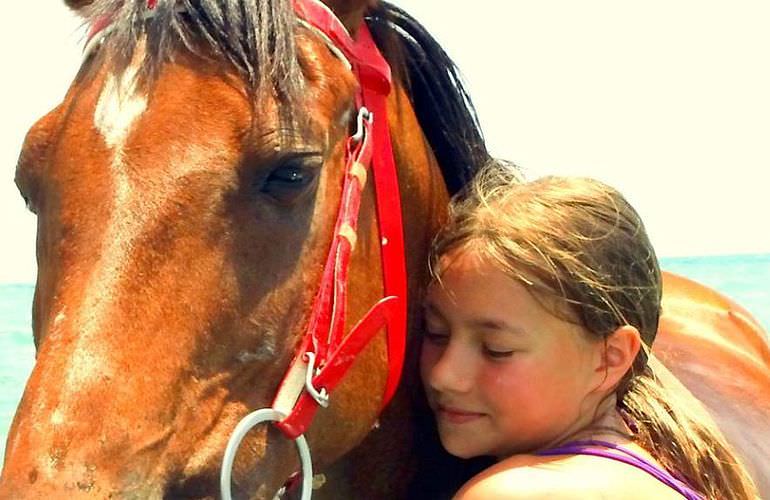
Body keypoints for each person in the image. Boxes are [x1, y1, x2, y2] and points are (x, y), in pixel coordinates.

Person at [419, 160, 758, 499]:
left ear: (610, 358)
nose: (443, 375)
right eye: (435, 333)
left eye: (496, 349)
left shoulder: (515, 493)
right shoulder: (666, 471)